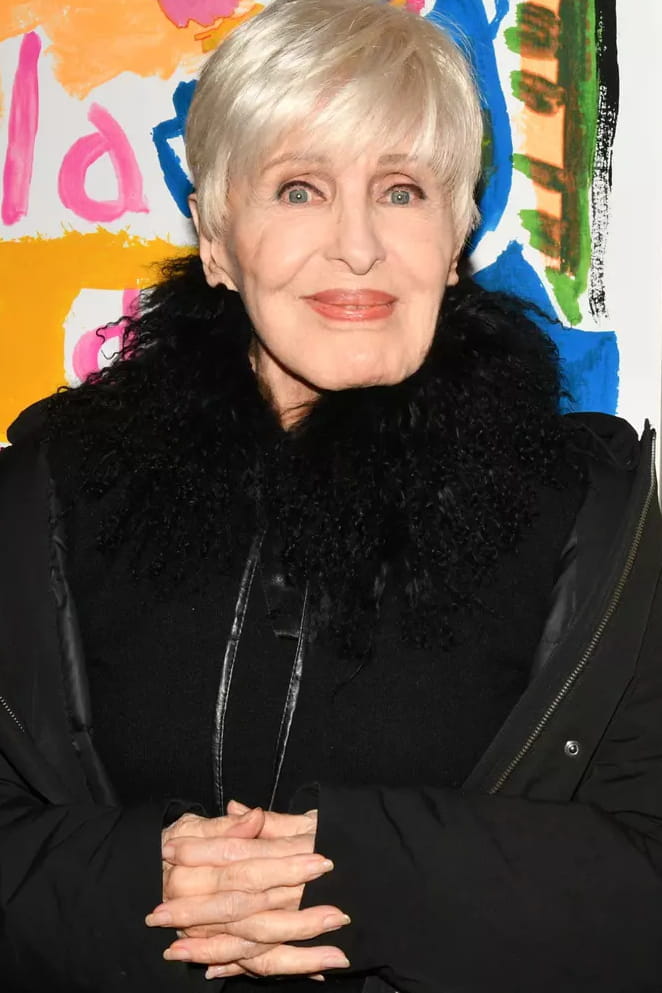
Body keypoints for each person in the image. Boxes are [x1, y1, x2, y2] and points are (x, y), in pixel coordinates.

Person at [0, 0, 661, 991]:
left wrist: (356, 872)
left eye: (400, 191)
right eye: (299, 188)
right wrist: (142, 885)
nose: (356, 246)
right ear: (215, 237)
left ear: (455, 236)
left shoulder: (590, 512)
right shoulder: (50, 493)